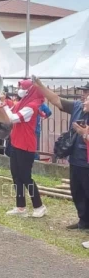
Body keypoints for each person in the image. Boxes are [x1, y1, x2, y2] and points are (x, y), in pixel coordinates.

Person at [35, 77, 89, 230]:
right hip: (76, 158)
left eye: (86, 92)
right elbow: (56, 100)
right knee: (77, 191)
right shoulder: (78, 106)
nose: (83, 95)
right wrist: (40, 86)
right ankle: (84, 222)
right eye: (83, 92)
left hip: (87, 160)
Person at [3, 79, 47, 218]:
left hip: (26, 146)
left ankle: (39, 206)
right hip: (16, 143)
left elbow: (14, 118)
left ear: (30, 90)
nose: (19, 90)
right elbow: (10, 111)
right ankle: (20, 206)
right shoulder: (22, 103)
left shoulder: (32, 106)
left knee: (25, 177)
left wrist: (3, 104)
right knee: (16, 176)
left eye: (22, 87)